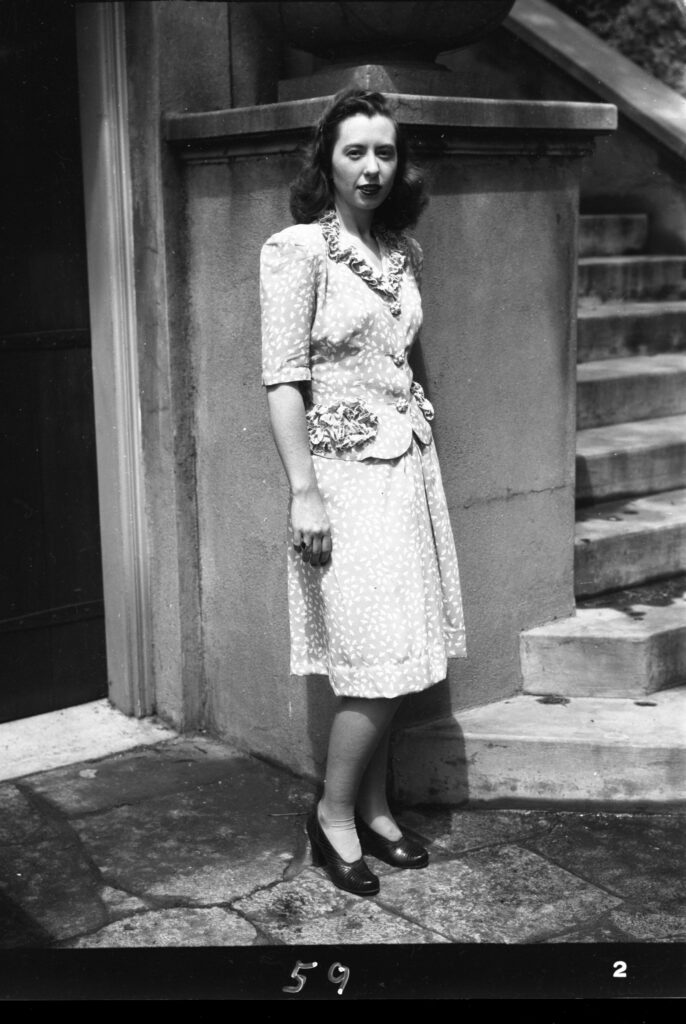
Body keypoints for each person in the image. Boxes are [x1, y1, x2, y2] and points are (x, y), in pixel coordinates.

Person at [260, 89, 466, 897]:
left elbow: (405, 360)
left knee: (400, 656)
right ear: (328, 162)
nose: (372, 167)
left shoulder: (402, 252)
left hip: (406, 471)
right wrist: (303, 493)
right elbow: (284, 379)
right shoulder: (297, 251)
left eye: (385, 151)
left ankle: (376, 811)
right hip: (342, 481)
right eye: (355, 152)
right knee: (374, 662)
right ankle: (334, 813)